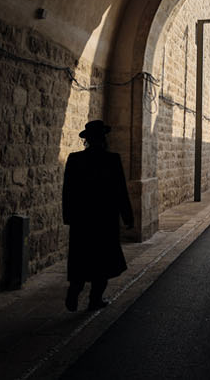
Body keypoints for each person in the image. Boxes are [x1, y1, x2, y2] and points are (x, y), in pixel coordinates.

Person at [62, 120, 134, 311]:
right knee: (102, 264)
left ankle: (75, 289)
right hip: (104, 220)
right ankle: (95, 300)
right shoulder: (112, 160)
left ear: (87, 140)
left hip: (82, 220)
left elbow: (68, 191)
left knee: (81, 259)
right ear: (103, 139)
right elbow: (120, 191)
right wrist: (127, 216)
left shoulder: (74, 159)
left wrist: (68, 216)